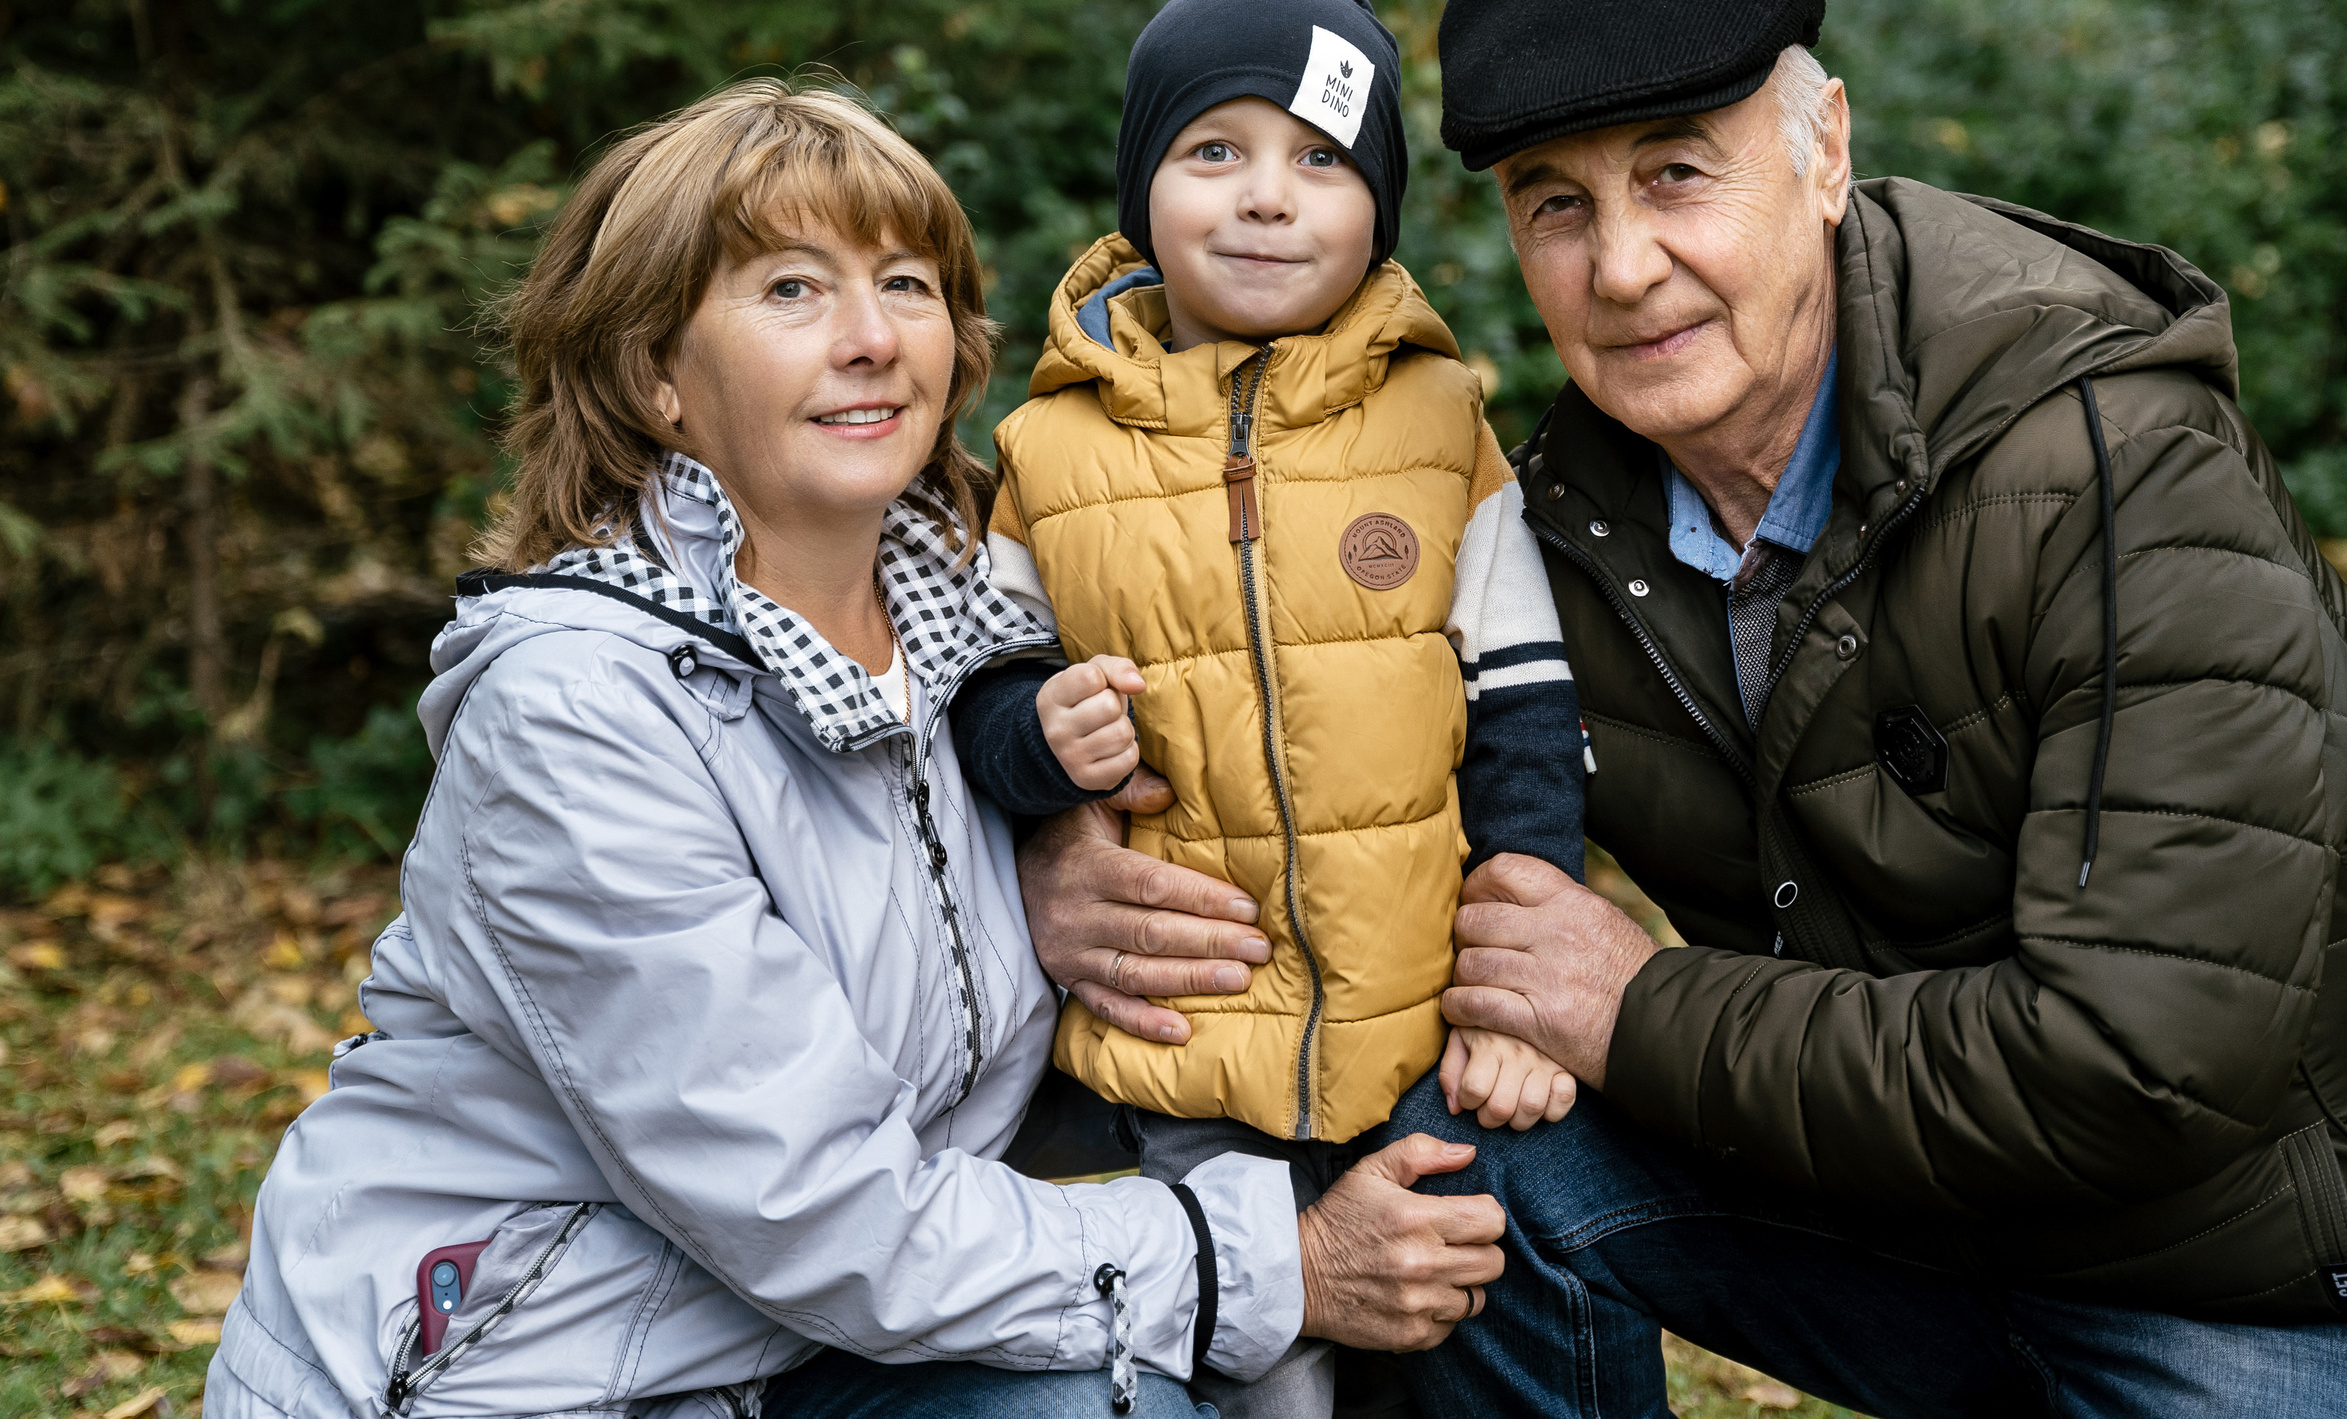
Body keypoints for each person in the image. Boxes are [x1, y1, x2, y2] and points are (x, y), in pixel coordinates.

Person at [1019, 0, 2347, 1418]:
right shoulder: (1564, 523)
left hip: (2284, 1294)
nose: (1621, 268)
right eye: (1558, 203)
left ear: (1825, 154)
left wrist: (1635, 1010)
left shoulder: (2125, 474)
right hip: (1902, 1237)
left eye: (1679, 175)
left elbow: (2138, 1064)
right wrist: (1056, 858)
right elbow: (1306, 760)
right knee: (1466, 1162)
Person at [205, 79, 1505, 1419]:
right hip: (518, 1375)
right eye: (789, 291)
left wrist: (1051, 845)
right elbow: (812, 1207)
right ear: (657, 375)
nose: (874, 339)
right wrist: (1266, 1264)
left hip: (807, 1355)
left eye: (907, 283)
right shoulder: (581, 713)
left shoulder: (978, 631)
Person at [949, 0, 1590, 1418]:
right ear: (1142, 188)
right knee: (1271, 1370)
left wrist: (1516, 1001)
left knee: (1442, 1341)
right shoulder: (1051, 453)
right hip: (1176, 1043)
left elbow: (1528, 723)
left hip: (1414, 1031)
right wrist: (1041, 743)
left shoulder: (1443, 427)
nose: (1265, 196)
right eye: (1212, 151)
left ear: (1380, 208)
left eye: (1319, 161)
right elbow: (984, 699)